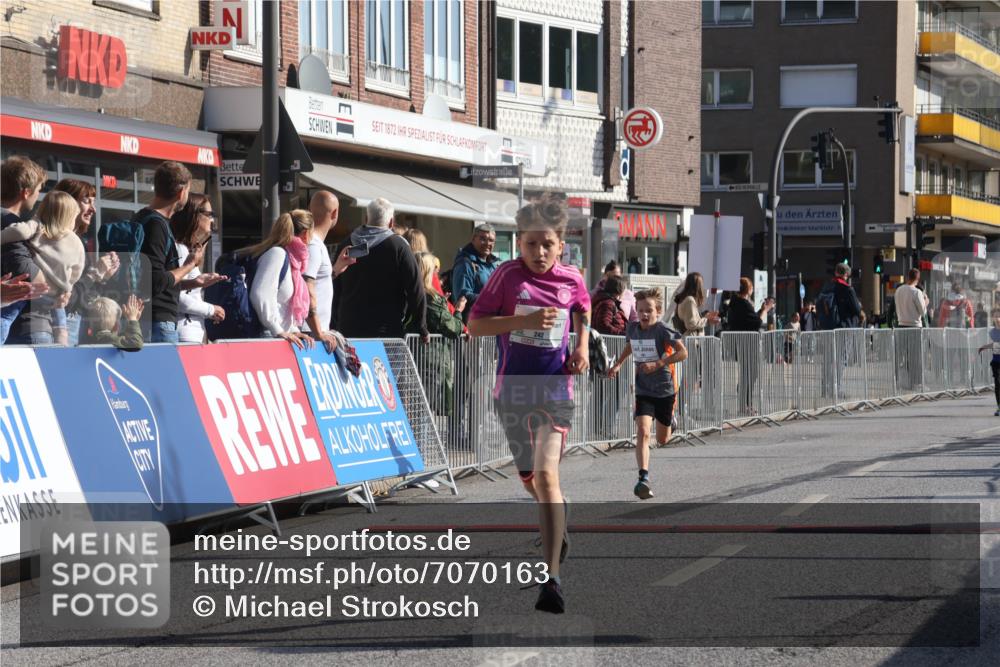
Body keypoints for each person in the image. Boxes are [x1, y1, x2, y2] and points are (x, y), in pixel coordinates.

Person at [468, 194, 590, 615]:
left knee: (546, 474)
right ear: (519, 243)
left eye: (547, 245)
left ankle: (551, 578)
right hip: (513, 392)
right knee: (529, 480)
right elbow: (476, 325)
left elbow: (583, 310)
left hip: (555, 391)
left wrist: (583, 348)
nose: (539, 253)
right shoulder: (506, 276)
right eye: (530, 245)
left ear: (561, 245)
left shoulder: (571, 277)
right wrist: (522, 321)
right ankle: (556, 523)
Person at [608, 288, 687, 500]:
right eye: (640, 310)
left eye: (648, 310)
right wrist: (617, 365)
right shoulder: (633, 328)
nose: (644, 314)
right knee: (643, 431)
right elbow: (631, 346)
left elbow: (683, 352)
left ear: (658, 311)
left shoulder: (663, 330)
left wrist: (660, 362)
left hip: (664, 390)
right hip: (643, 389)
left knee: (662, 439)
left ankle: (670, 419)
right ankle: (643, 478)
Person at [139, 161, 226, 343]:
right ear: (181, 193)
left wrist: (194, 282)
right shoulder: (157, 225)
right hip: (159, 322)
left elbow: (159, 281)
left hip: (150, 320)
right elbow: (156, 282)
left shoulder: (143, 217)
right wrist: (189, 265)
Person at [332, 198, 427, 340]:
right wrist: (421, 327)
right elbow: (415, 288)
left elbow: (335, 287)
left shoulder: (346, 244)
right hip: (386, 331)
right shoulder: (399, 246)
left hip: (348, 328)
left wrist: (334, 324)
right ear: (391, 222)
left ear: (366, 218)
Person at [1, 191, 85, 345]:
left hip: (31, 291)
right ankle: (62, 340)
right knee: (60, 327)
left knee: (5, 316)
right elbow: (77, 270)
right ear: (69, 218)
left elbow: (18, 231)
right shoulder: (76, 242)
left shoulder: (38, 226)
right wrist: (68, 286)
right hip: (56, 296)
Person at [51, 178, 120, 346]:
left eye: (93, 203)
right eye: (86, 201)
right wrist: (95, 273)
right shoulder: (55, 241)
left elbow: (83, 298)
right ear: (68, 202)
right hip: (60, 325)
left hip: (77, 323)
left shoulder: (78, 241)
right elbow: (65, 298)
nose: (93, 209)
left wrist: (103, 276)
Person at [245, 209, 316, 350]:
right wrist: (277, 330)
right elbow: (260, 295)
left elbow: (283, 306)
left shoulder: (292, 260)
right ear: (306, 235)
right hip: (267, 336)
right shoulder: (277, 254)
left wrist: (294, 330)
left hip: (279, 337)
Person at [1, 156, 46, 342]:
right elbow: (34, 281)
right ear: (26, 192)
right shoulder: (11, 225)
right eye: (38, 191)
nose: (38, 197)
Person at [170, 194, 225, 343]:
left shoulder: (185, 249)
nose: (212, 220)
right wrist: (211, 310)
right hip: (185, 333)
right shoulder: (179, 249)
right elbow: (176, 295)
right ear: (194, 216)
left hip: (192, 332)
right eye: (209, 214)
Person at [305, 191, 355, 347]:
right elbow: (306, 287)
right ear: (335, 213)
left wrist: (335, 270)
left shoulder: (315, 243)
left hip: (312, 332)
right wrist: (318, 332)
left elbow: (314, 281)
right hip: (311, 334)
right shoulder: (313, 244)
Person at [726, 278, 772, 413]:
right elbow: (757, 322)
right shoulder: (743, 303)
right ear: (748, 289)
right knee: (750, 373)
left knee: (748, 373)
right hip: (746, 343)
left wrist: (761, 310)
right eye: (751, 287)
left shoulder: (736, 303)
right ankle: (745, 404)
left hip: (740, 343)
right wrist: (766, 310)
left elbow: (750, 319)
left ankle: (745, 404)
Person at [451, 223, 500, 321]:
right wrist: (491, 298)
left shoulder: (492, 266)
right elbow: (462, 296)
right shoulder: (465, 263)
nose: (487, 243)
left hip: (489, 324)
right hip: (472, 326)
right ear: (473, 239)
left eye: (491, 240)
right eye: (483, 239)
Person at [671, 272, 720, 336]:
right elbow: (691, 324)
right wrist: (708, 320)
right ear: (698, 286)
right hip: (691, 341)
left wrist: (705, 316)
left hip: (690, 340)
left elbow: (690, 319)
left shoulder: (685, 298)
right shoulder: (689, 300)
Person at [817, 263, 862, 330]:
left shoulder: (827, 287)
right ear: (846, 274)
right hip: (845, 327)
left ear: (835, 272)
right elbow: (857, 310)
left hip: (829, 328)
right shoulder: (848, 289)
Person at [978, 310, 1000, 416]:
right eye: (995, 316)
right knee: (997, 384)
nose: (997, 319)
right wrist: (984, 347)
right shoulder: (992, 332)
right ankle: (999, 407)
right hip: (996, 361)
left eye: (999, 316)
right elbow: (995, 344)